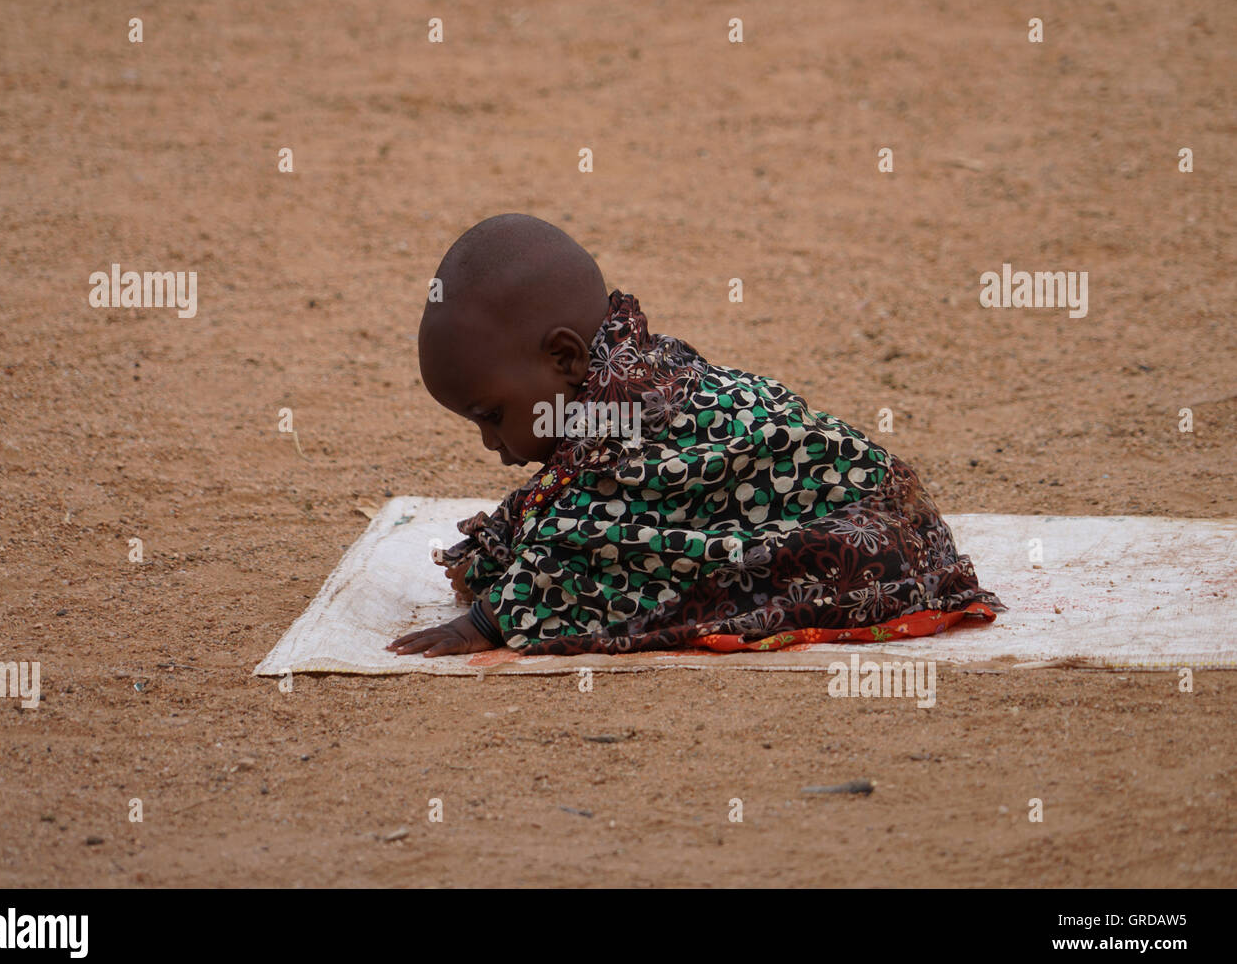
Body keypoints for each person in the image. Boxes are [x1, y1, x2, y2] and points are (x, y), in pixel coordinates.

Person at [388, 213, 1005, 657]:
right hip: (867, 501)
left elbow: (586, 537)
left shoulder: (632, 419)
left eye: (492, 416)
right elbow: (562, 494)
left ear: (565, 359)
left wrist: (491, 620)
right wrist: (499, 544)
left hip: (867, 524)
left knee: (730, 570)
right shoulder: (611, 384)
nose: (491, 445)